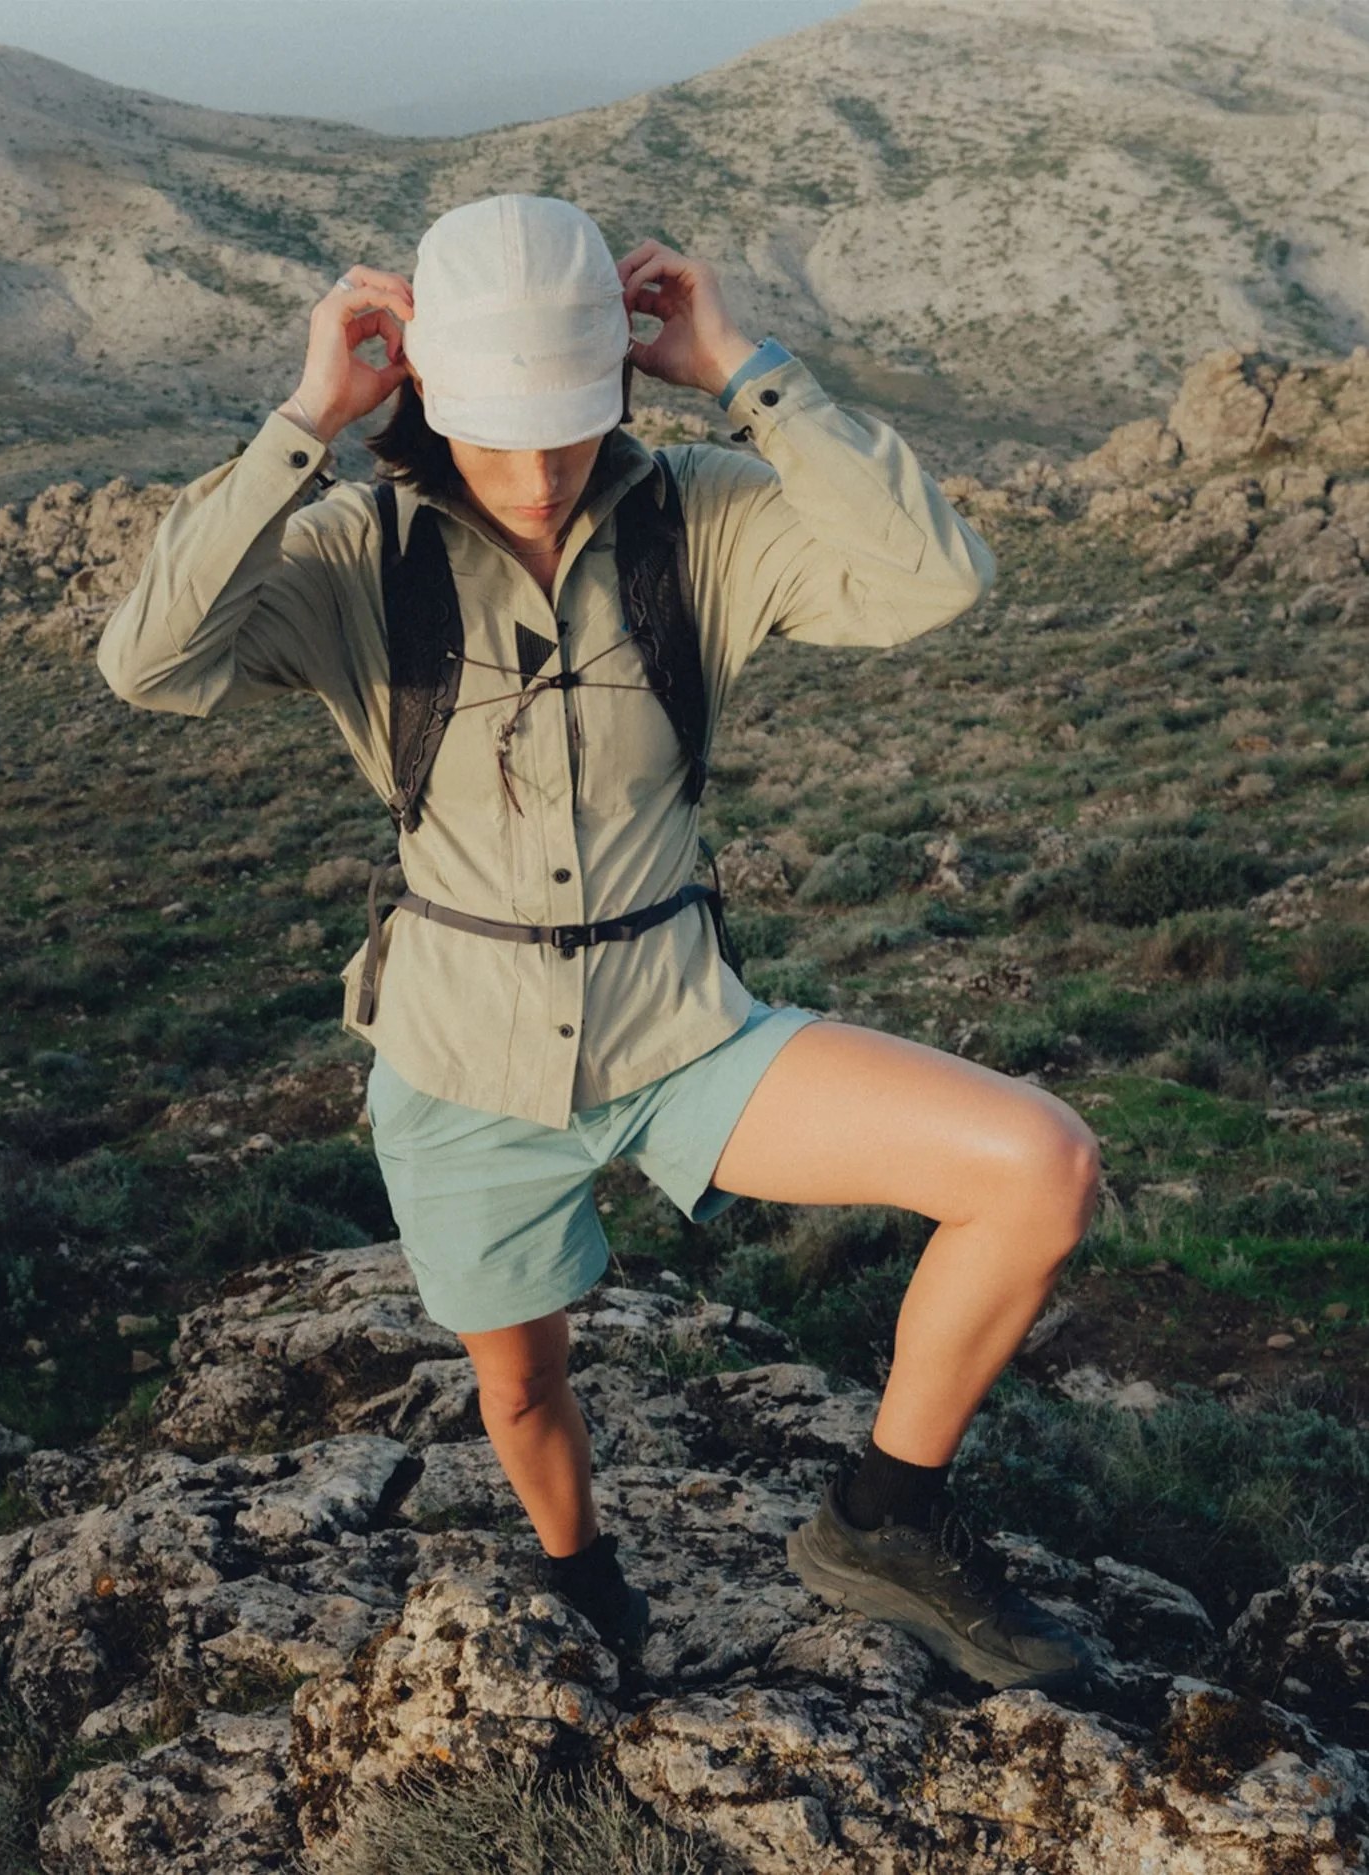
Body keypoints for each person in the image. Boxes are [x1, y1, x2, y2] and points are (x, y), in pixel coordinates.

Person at [98, 193, 1101, 1691]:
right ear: (428, 390)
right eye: (499, 431)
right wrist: (308, 417)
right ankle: (585, 1578)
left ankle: (885, 1519)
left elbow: (936, 577)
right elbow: (147, 663)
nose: (538, 471)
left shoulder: (700, 518)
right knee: (521, 1389)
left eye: (568, 425)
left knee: (1039, 1167)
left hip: (677, 1026)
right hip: (459, 1061)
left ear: (621, 380)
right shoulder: (357, 552)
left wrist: (749, 371)